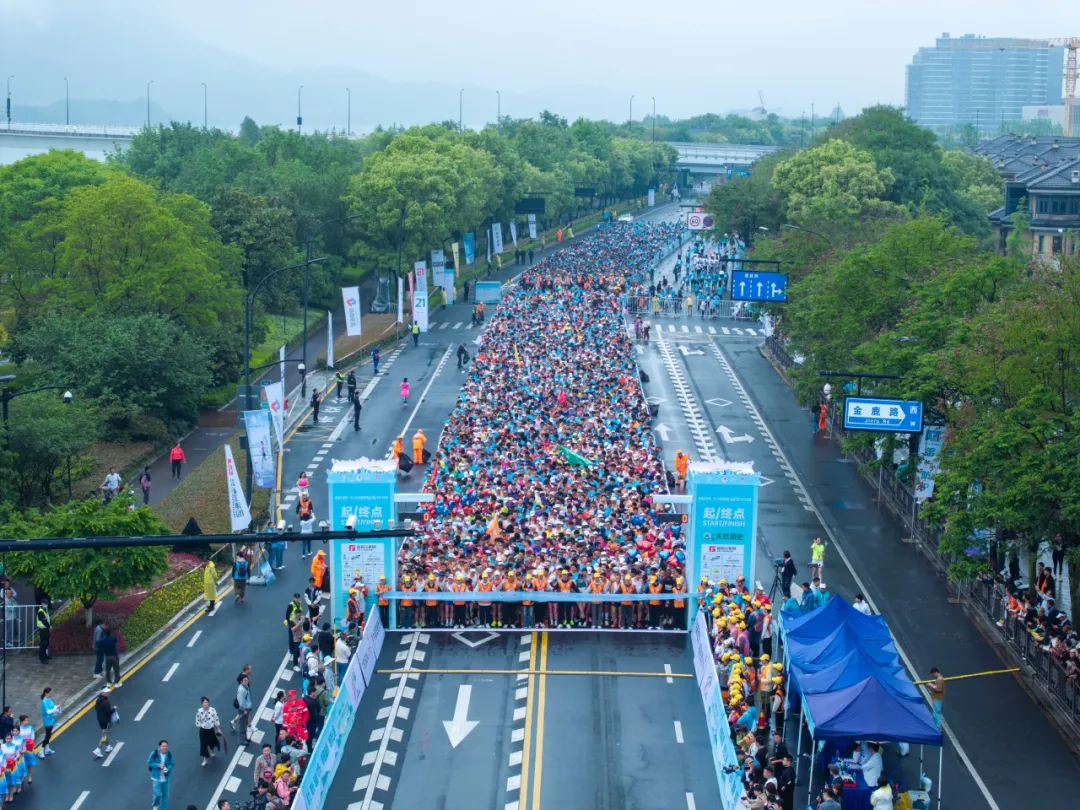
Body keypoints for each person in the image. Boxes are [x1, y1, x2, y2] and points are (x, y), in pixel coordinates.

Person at [148, 740, 175, 810]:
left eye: (166, 746)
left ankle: (164, 809)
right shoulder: (154, 753)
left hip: (166, 778)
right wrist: (158, 765)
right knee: (157, 794)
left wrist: (167, 769)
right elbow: (149, 762)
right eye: (163, 746)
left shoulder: (169, 754)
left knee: (165, 796)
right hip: (156, 778)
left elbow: (172, 763)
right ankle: (155, 805)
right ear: (159, 746)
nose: (165, 748)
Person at [195, 697, 222, 766]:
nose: (206, 704)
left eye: (207, 702)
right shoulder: (199, 711)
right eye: (204, 702)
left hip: (211, 729)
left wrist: (218, 728)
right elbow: (197, 720)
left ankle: (212, 750)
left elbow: (216, 719)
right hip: (203, 730)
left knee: (212, 741)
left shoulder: (212, 710)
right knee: (203, 745)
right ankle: (205, 759)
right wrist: (201, 726)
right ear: (202, 704)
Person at [92, 688, 114, 758]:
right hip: (106, 720)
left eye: (108, 692)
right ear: (102, 693)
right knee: (105, 735)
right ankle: (98, 749)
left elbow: (96, 709)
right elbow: (109, 712)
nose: (108, 693)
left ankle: (108, 746)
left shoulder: (97, 700)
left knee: (104, 733)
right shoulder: (106, 702)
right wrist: (114, 709)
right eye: (107, 692)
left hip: (100, 720)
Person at [39, 688, 59, 756]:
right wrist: (56, 708)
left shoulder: (49, 699)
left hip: (51, 719)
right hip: (47, 720)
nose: (51, 694)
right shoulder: (44, 701)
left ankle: (47, 749)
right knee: (47, 736)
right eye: (50, 692)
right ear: (46, 693)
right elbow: (48, 711)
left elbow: (52, 707)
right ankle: (41, 751)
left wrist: (57, 706)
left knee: (49, 735)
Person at [236, 675, 253, 745]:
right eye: (245, 680)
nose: (247, 681)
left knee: (245, 724)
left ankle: (245, 738)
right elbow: (241, 702)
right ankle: (241, 741)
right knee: (242, 725)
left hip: (246, 709)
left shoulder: (246, 687)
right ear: (241, 681)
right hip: (243, 710)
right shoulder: (241, 690)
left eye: (247, 680)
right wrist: (244, 710)